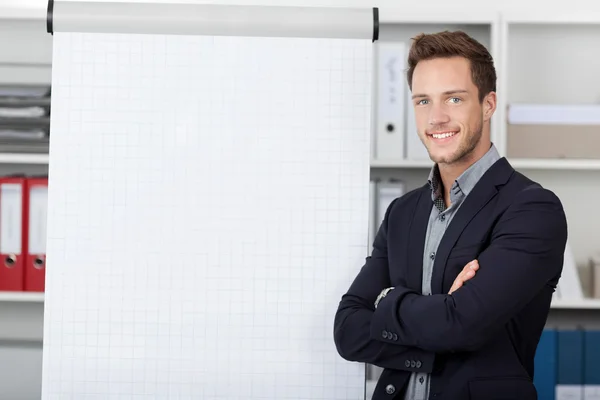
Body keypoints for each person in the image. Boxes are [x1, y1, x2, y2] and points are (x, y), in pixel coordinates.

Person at [333, 30, 568, 400]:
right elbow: (347, 331)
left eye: (454, 99)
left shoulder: (532, 209)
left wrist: (386, 303)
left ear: (488, 104)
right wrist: (442, 313)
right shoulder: (401, 212)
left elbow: (463, 325)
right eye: (423, 101)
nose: (436, 117)